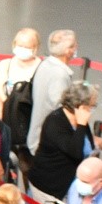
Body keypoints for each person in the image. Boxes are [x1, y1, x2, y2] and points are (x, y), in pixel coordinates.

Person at [29, 80, 97, 204]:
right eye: (91, 106)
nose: (92, 110)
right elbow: (75, 152)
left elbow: (86, 144)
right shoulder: (55, 122)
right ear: (80, 106)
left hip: (67, 186)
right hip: (47, 189)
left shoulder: (80, 120)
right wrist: (81, 125)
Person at [26, 30, 82, 162]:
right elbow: (61, 108)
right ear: (68, 50)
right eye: (74, 45)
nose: (76, 48)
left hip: (38, 137)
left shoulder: (45, 65)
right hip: (48, 145)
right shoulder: (59, 75)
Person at [0, 27, 41, 121]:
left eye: (27, 47)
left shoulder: (41, 68)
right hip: (4, 114)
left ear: (35, 48)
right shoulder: (5, 64)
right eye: (20, 46)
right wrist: (0, 112)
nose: (22, 49)